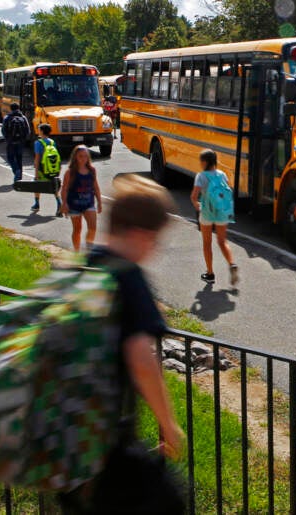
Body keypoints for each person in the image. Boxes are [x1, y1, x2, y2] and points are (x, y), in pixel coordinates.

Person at [58, 174, 186, 513]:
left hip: (66, 440)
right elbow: (142, 360)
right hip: (107, 441)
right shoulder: (127, 277)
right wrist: (168, 425)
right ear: (142, 235)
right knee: (170, 502)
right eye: (156, 240)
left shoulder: (83, 266)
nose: (155, 249)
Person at [190, 149, 239, 286]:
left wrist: (197, 206)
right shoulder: (222, 174)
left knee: (207, 243)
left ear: (204, 162)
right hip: (222, 212)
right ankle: (232, 264)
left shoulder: (201, 176)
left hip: (207, 212)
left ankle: (210, 274)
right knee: (222, 241)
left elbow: (194, 196)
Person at [60, 145, 103, 251]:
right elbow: (64, 189)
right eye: (80, 156)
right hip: (74, 205)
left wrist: (99, 202)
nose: (83, 159)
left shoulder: (92, 170)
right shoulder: (70, 172)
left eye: (85, 156)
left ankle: (89, 250)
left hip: (89, 203)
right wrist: (64, 204)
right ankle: (77, 252)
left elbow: (96, 187)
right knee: (77, 229)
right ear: (75, 157)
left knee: (92, 228)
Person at [31, 123, 63, 215]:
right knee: (54, 187)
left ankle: (37, 204)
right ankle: (58, 202)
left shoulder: (38, 143)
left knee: (37, 185)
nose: (38, 131)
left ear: (42, 131)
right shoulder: (52, 142)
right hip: (53, 168)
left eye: (39, 129)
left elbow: (37, 158)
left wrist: (36, 173)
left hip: (42, 168)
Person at [2, 103, 30, 182]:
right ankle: (19, 178)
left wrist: (7, 139)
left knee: (10, 158)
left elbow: (3, 130)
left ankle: (16, 170)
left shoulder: (7, 118)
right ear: (18, 108)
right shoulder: (23, 117)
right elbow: (28, 130)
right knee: (19, 159)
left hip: (10, 142)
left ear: (11, 109)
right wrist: (23, 139)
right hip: (20, 142)